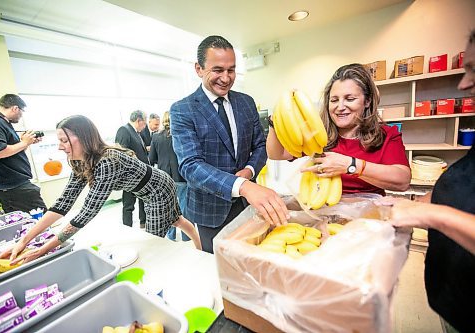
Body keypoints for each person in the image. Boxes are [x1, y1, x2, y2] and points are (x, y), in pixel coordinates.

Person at [0, 115, 201, 263]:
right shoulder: (78, 161)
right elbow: (63, 204)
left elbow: (87, 212)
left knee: (153, 239)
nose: (60, 147)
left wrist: (43, 249)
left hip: (157, 188)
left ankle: (189, 260)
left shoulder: (107, 161)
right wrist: (24, 241)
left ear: (84, 137)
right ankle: (202, 250)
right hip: (148, 187)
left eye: (63, 140)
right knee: (178, 220)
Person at [380, 29, 475, 333]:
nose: (464, 83)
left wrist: (430, 213)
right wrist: (426, 201)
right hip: (457, 305)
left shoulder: (387, 135)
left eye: (474, 69)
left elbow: (400, 177)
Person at [170, 35, 289, 253]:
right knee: (219, 269)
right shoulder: (183, 110)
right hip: (210, 211)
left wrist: (249, 170)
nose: (226, 78)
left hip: (249, 207)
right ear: (199, 68)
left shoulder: (246, 102)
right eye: (218, 70)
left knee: (252, 260)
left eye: (231, 70)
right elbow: (190, 165)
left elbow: (260, 146)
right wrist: (242, 186)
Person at [267, 63, 411, 195]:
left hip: (368, 215)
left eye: (349, 99)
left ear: (367, 101)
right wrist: (274, 123)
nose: (340, 107)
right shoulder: (318, 135)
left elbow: (402, 181)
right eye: (334, 100)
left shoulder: (386, 135)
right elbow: (278, 154)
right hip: (325, 211)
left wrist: (350, 165)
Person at [0, 94, 47, 213]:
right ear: (15, 108)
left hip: (11, 185)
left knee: (22, 223)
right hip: (10, 186)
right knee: (40, 219)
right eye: (22, 111)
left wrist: (26, 143)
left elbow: (11, 153)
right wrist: (24, 142)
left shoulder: (2, 123)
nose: (21, 115)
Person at [149, 111, 191, 241]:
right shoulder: (182, 135)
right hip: (181, 176)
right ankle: (186, 236)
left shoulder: (156, 137)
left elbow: (152, 158)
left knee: (168, 206)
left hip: (164, 178)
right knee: (184, 206)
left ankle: (171, 236)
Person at [115, 110, 149, 228]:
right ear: (139, 121)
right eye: (144, 124)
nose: (145, 127)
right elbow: (120, 153)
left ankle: (143, 223)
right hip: (130, 176)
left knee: (143, 200)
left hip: (141, 175)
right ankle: (127, 227)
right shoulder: (124, 130)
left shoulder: (137, 133)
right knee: (129, 204)